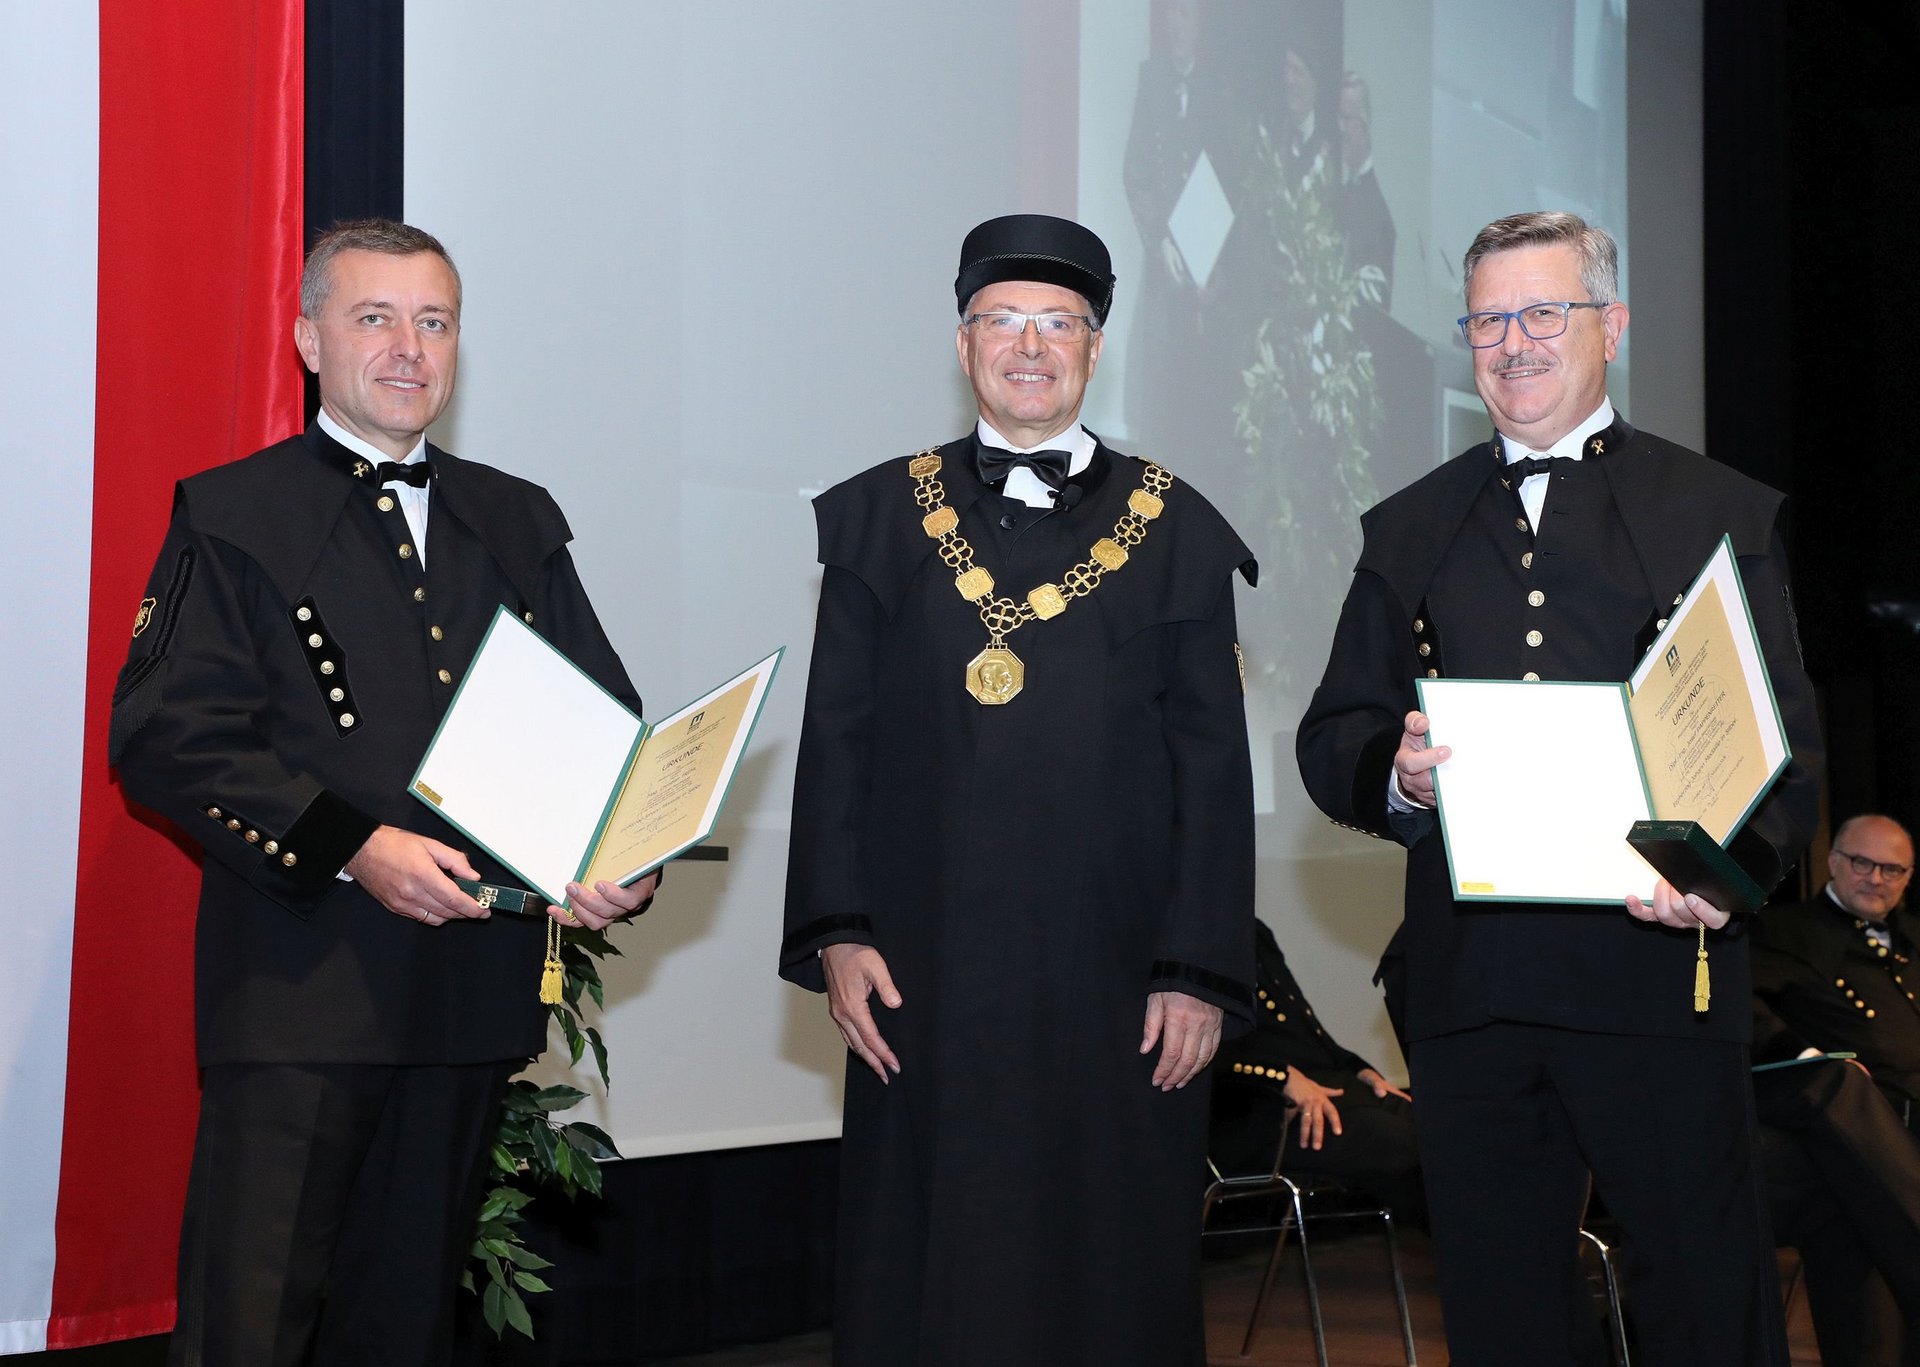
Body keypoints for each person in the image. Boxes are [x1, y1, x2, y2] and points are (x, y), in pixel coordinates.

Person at [110, 220, 655, 1366]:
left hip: (462, 999)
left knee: (402, 1328)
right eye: (375, 318)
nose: (408, 348)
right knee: (247, 1331)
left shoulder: (517, 518)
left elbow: (601, 727)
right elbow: (168, 737)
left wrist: (625, 840)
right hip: (300, 992)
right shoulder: (232, 511)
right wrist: (358, 846)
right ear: (309, 338)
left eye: (435, 321)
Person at [1296, 210, 1822, 1366]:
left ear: (1611, 326)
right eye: (1488, 317)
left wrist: (1729, 882)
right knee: (1503, 1310)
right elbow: (1331, 731)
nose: (1514, 341)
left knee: (1704, 1289)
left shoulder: (1717, 510)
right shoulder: (1410, 525)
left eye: (1544, 312)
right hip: (1472, 991)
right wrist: (1394, 768)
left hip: (1655, 974)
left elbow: (1783, 749)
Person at [781, 213, 1258, 1367]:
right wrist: (837, 934)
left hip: (1117, 986)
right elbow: (834, 741)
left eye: (1060, 323)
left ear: (1096, 349)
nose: (1031, 346)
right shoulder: (876, 520)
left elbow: (1214, 768)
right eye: (1005, 321)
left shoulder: (1179, 527)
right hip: (921, 978)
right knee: (924, 1263)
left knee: (1108, 1271)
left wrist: (1197, 970)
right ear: (962, 345)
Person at [1210, 919, 1423, 1225]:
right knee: (1403, 1142)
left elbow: (1307, 1030)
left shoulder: (1253, 931)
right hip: (1258, 1109)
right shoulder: (1180, 934)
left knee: (1438, 1130)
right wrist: (1280, 1075)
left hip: (1327, 1088)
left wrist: (1361, 1069)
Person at [1753, 814, 1920, 1110]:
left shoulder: (1914, 933)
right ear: (1833, 862)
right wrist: (1808, 1059)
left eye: (1892, 869)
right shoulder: (1782, 931)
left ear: (1908, 877)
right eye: (1862, 862)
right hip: (1857, 1109)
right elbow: (1745, 1008)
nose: (1876, 878)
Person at [1335, 71, 1394, 309]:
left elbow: (1376, 302)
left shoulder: (1378, 210)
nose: (1342, 129)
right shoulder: (1335, 187)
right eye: (1339, 117)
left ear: (1365, 122)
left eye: (1349, 118)